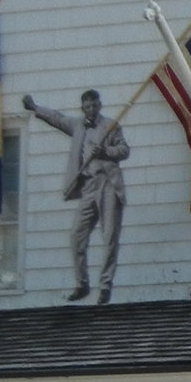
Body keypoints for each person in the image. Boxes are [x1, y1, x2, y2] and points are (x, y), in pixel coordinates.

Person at [24, 89, 130, 304]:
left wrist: (105, 152)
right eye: (87, 106)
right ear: (83, 108)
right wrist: (35, 108)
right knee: (76, 235)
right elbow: (57, 118)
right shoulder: (78, 126)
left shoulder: (110, 125)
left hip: (109, 184)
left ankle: (106, 286)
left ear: (99, 105)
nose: (91, 109)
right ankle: (82, 284)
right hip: (89, 186)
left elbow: (124, 150)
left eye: (94, 105)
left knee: (110, 236)